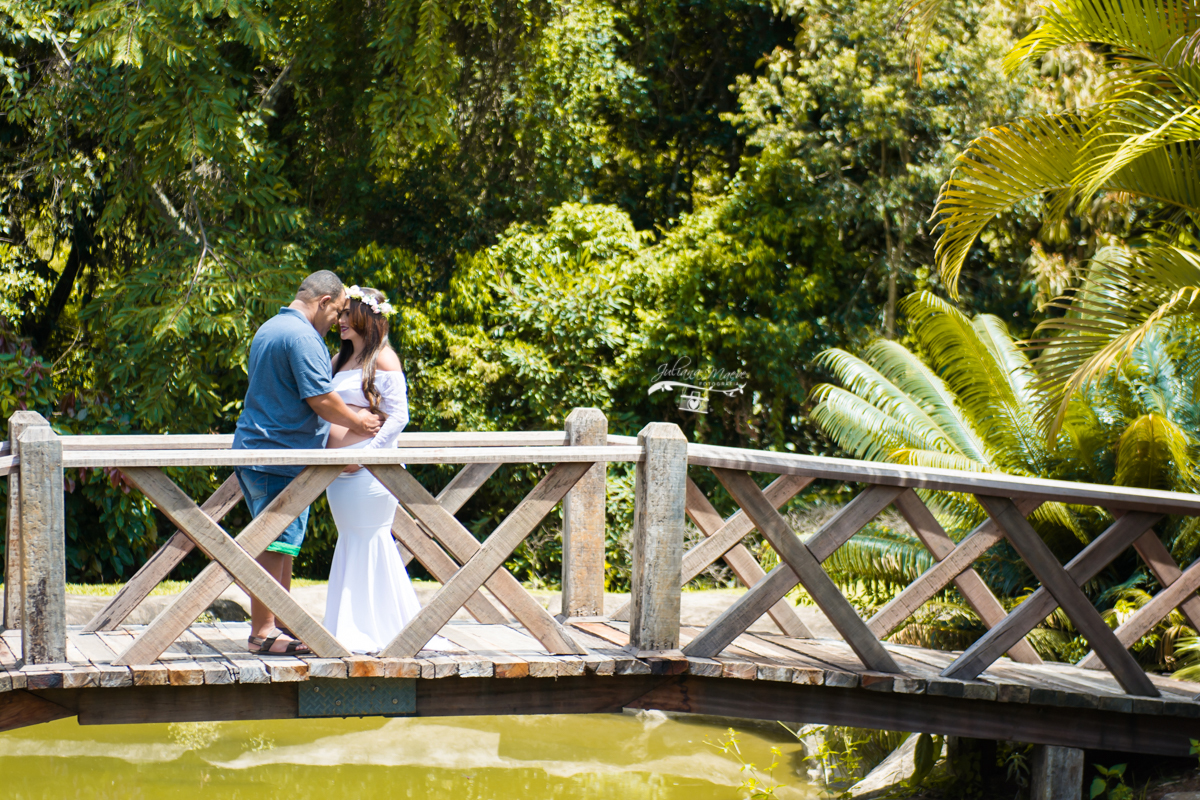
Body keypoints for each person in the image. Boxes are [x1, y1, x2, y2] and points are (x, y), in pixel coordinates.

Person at [232, 270, 382, 655]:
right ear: (325, 302)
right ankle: (263, 632)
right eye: (337, 315)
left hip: (264, 449)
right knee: (270, 543)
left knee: (283, 545)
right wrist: (359, 420)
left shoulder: (271, 326)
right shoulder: (302, 336)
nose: (337, 324)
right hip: (275, 453)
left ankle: (281, 622)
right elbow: (320, 398)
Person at [322, 286, 426, 653]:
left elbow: (399, 416)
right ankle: (346, 626)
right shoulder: (339, 359)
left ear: (369, 316)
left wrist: (368, 457)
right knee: (350, 540)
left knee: (371, 539)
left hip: (370, 475)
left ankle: (381, 631)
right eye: (341, 313)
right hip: (338, 477)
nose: (342, 320)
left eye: (349, 313)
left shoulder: (383, 359)